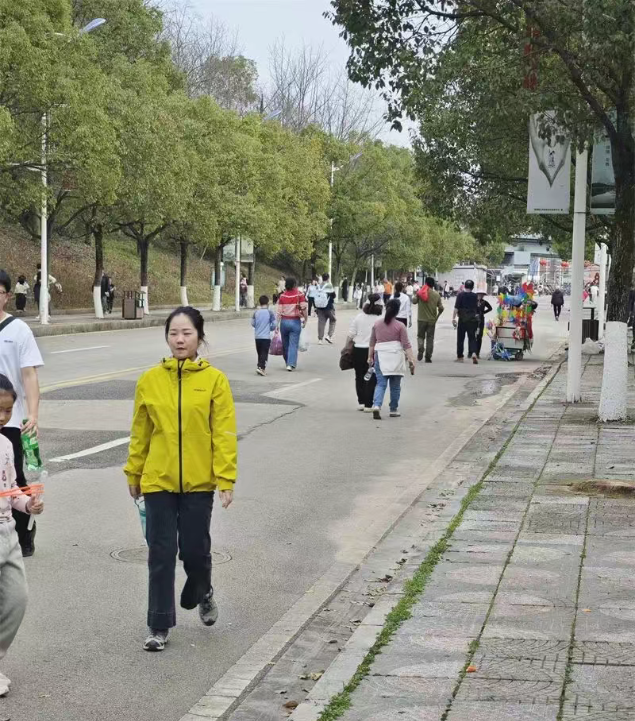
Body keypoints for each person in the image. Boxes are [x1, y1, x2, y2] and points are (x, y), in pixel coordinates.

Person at [125, 307, 237, 652]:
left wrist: (226, 478)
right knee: (161, 552)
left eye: (187, 333)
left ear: (199, 337)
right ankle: (158, 624)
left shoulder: (214, 380)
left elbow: (223, 433)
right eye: (174, 333)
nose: (179, 339)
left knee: (194, 550)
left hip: (199, 482)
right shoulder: (150, 380)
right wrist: (134, 471)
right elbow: (140, 432)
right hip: (158, 479)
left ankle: (202, 589)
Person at [0, 374, 44, 693]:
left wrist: (28, 504)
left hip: (8, 534)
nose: (3, 417)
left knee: (18, 598)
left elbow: (12, 488)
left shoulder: (5, 444)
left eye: (7, 411)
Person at [0, 271, 43, 557]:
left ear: (6, 295)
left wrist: (32, 415)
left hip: (10, 418)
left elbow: (29, 376)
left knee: (12, 476)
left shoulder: (19, 330)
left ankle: (24, 528)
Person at [368, 299, 415, 420]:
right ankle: (393, 409)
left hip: (381, 356)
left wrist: (370, 356)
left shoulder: (377, 324)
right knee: (395, 386)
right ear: (397, 311)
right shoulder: (400, 326)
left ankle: (376, 405)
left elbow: (372, 342)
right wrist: (411, 360)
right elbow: (406, 345)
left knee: (381, 384)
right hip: (396, 357)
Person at [346, 293, 382, 412]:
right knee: (372, 377)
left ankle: (361, 402)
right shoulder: (380, 319)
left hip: (358, 350)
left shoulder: (359, 317)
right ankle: (368, 404)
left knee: (359, 376)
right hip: (373, 351)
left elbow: (351, 334)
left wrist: (346, 348)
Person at [276, 278, 308, 371]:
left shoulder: (282, 296)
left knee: (285, 344)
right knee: (293, 344)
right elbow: (304, 308)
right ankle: (291, 364)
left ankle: (287, 362)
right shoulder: (300, 294)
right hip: (295, 322)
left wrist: (276, 324)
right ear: (294, 284)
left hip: (284, 322)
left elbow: (279, 312)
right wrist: (305, 319)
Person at [412, 277, 444, 363]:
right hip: (431, 320)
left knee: (420, 336)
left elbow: (414, 301)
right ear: (433, 285)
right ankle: (428, 357)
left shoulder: (421, 293)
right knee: (430, 338)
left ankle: (420, 348)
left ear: (426, 283)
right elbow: (441, 308)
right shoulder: (436, 295)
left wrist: (417, 294)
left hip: (421, 319)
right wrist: (437, 315)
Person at [453, 279, 479, 364]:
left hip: (462, 319)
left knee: (460, 338)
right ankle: (474, 353)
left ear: (465, 286)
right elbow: (477, 308)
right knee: (472, 338)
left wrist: (453, 318)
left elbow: (456, 308)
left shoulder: (460, 295)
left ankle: (460, 357)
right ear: (472, 287)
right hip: (472, 320)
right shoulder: (475, 296)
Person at [252, 295, 276, 376]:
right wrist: (271, 328)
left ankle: (259, 367)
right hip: (266, 337)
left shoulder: (256, 312)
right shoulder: (270, 312)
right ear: (268, 302)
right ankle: (261, 368)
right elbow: (274, 324)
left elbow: (253, 323)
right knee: (264, 353)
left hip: (257, 337)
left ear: (260, 302)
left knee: (259, 353)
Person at [315, 273, 336, 345]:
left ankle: (320, 339)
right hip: (329, 307)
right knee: (333, 320)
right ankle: (329, 336)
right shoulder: (329, 285)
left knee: (321, 323)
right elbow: (334, 295)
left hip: (319, 307)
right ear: (328, 278)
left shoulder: (318, 286)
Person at [475, 289, 493, 359]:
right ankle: (472, 352)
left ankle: (477, 353)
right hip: (474, 320)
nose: (480, 296)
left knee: (479, 337)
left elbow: (490, 308)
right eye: (479, 294)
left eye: (482, 295)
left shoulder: (484, 302)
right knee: (473, 336)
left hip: (481, 320)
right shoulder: (474, 301)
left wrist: (483, 313)